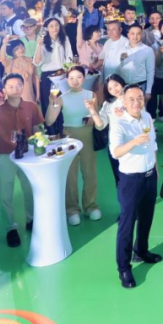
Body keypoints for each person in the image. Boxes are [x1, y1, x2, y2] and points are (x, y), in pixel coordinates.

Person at [0, 72, 60, 247]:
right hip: (5, 156)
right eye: (10, 86)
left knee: (30, 190)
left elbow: (37, 130)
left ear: (23, 86)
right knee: (5, 194)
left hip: (27, 156)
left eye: (19, 85)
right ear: (4, 89)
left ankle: (31, 220)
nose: (15, 89)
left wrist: (40, 141)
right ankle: (10, 228)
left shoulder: (31, 107)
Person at [109, 85, 162, 288]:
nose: (136, 102)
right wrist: (133, 142)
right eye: (131, 99)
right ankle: (124, 268)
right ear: (124, 101)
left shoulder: (147, 117)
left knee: (147, 216)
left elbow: (153, 144)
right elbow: (116, 152)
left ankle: (141, 250)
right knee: (127, 223)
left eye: (139, 98)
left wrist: (155, 167)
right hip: (131, 180)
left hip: (149, 176)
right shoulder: (119, 123)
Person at [60, 66, 103, 225]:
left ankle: (91, 206)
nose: (75, 81)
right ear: (66, 80)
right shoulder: (61, 97)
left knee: (89, 172)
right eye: (71, 78)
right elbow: (50, 120)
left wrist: (90, 118)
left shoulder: (91, 95)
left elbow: (96, 116)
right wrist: (52, 105)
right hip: (69, 137)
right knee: (70, 175)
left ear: (84, 78)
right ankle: (72, 209)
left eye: (78, 77)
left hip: (87, 135)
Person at [33, 18, 69, 112]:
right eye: (51, 26)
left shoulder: (64, 39)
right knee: (48, 103)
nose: (55, 28)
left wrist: (67, 71)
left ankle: (61, 121)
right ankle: (49, 121)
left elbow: (69, 57)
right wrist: (39, 45)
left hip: (61, 74)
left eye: (57, 25)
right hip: (48, 75)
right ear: (47, 28)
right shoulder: (43, 41)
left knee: (62, 102)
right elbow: (37, 62)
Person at [119, 24, 155, 97]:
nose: (135, 36)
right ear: (128, 35)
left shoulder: (147, 50)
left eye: (138, 34)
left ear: (141, 35)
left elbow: (150, 71)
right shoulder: (123, 49)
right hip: (124, 85)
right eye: (132, 34)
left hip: (140, 85)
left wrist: (148, 91)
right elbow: (120, 65)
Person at [0, 38, 38, 103]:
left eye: (22, 47)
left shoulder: (30, 60)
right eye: (17, 49)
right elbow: (2, 58)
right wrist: (4, 44)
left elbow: (35, 78)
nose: (21, 50)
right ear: (12, 51)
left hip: (29, 96)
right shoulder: (9, 62)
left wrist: (38, 95)